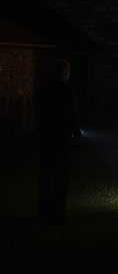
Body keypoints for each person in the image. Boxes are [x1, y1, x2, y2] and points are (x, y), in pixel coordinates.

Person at [36, 59, 81, 224]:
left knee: (45, 176)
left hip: (46, 138)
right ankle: (57, 214)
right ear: (64, 72)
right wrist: (76, 132)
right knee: (62, 177)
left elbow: (39, 112)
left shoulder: (43, 88)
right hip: (61, 139)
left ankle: (43, 213)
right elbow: (70, 112)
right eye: (68, 71)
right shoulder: (64, 89)